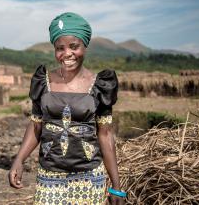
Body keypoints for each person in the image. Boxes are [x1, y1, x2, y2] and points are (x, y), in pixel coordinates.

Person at [8, 12, 126, 204]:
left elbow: (105, 135)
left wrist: (116, 186)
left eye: (74, 46)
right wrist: (19, 160)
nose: (67, 54)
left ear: (84, 46)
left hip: (89, 179)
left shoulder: (99, 85)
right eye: (60, 48)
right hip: (49, 178)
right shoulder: (43, 81)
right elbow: (36, 125)